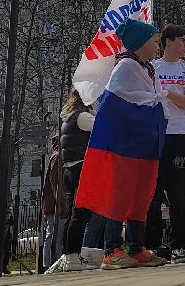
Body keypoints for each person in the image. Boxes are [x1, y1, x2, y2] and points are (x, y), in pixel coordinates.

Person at [74, 17, 174, 268]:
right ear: (141, 42)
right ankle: (112, 250)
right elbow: (116, 106)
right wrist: (156, 104)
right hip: (124, 147)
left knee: (140, 195)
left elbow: (146, 99)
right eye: (155, 41)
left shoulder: (145, 69)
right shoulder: (126, 67)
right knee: (120, 195)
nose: (158, 47)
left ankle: (136, 247)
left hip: (142, 146)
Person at [150, 25, 185, 264]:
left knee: (180, 194)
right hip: (156, 134)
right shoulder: (152, 67)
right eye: (182, 40)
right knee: (153, 192)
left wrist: (168, 94)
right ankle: (151, 245)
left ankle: (182, 246)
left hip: (181, 135)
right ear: (168, 42)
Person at [58, 88, 99, 270]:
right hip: (82, 168)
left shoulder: (68, 118)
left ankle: (69, 256)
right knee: (81, 214)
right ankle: (73, 258)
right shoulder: (83, 117)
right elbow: (103, 126)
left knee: (73, 214)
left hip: (69, 169)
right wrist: (94, 112)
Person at [41, 136, 68, 269]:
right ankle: (52, 263)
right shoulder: (57, 157)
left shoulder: (55, 156)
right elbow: (55, 183)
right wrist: (61, 202)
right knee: (54, 236)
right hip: (55, 204)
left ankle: (51, 263)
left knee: (54, 235)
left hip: (53, 203)